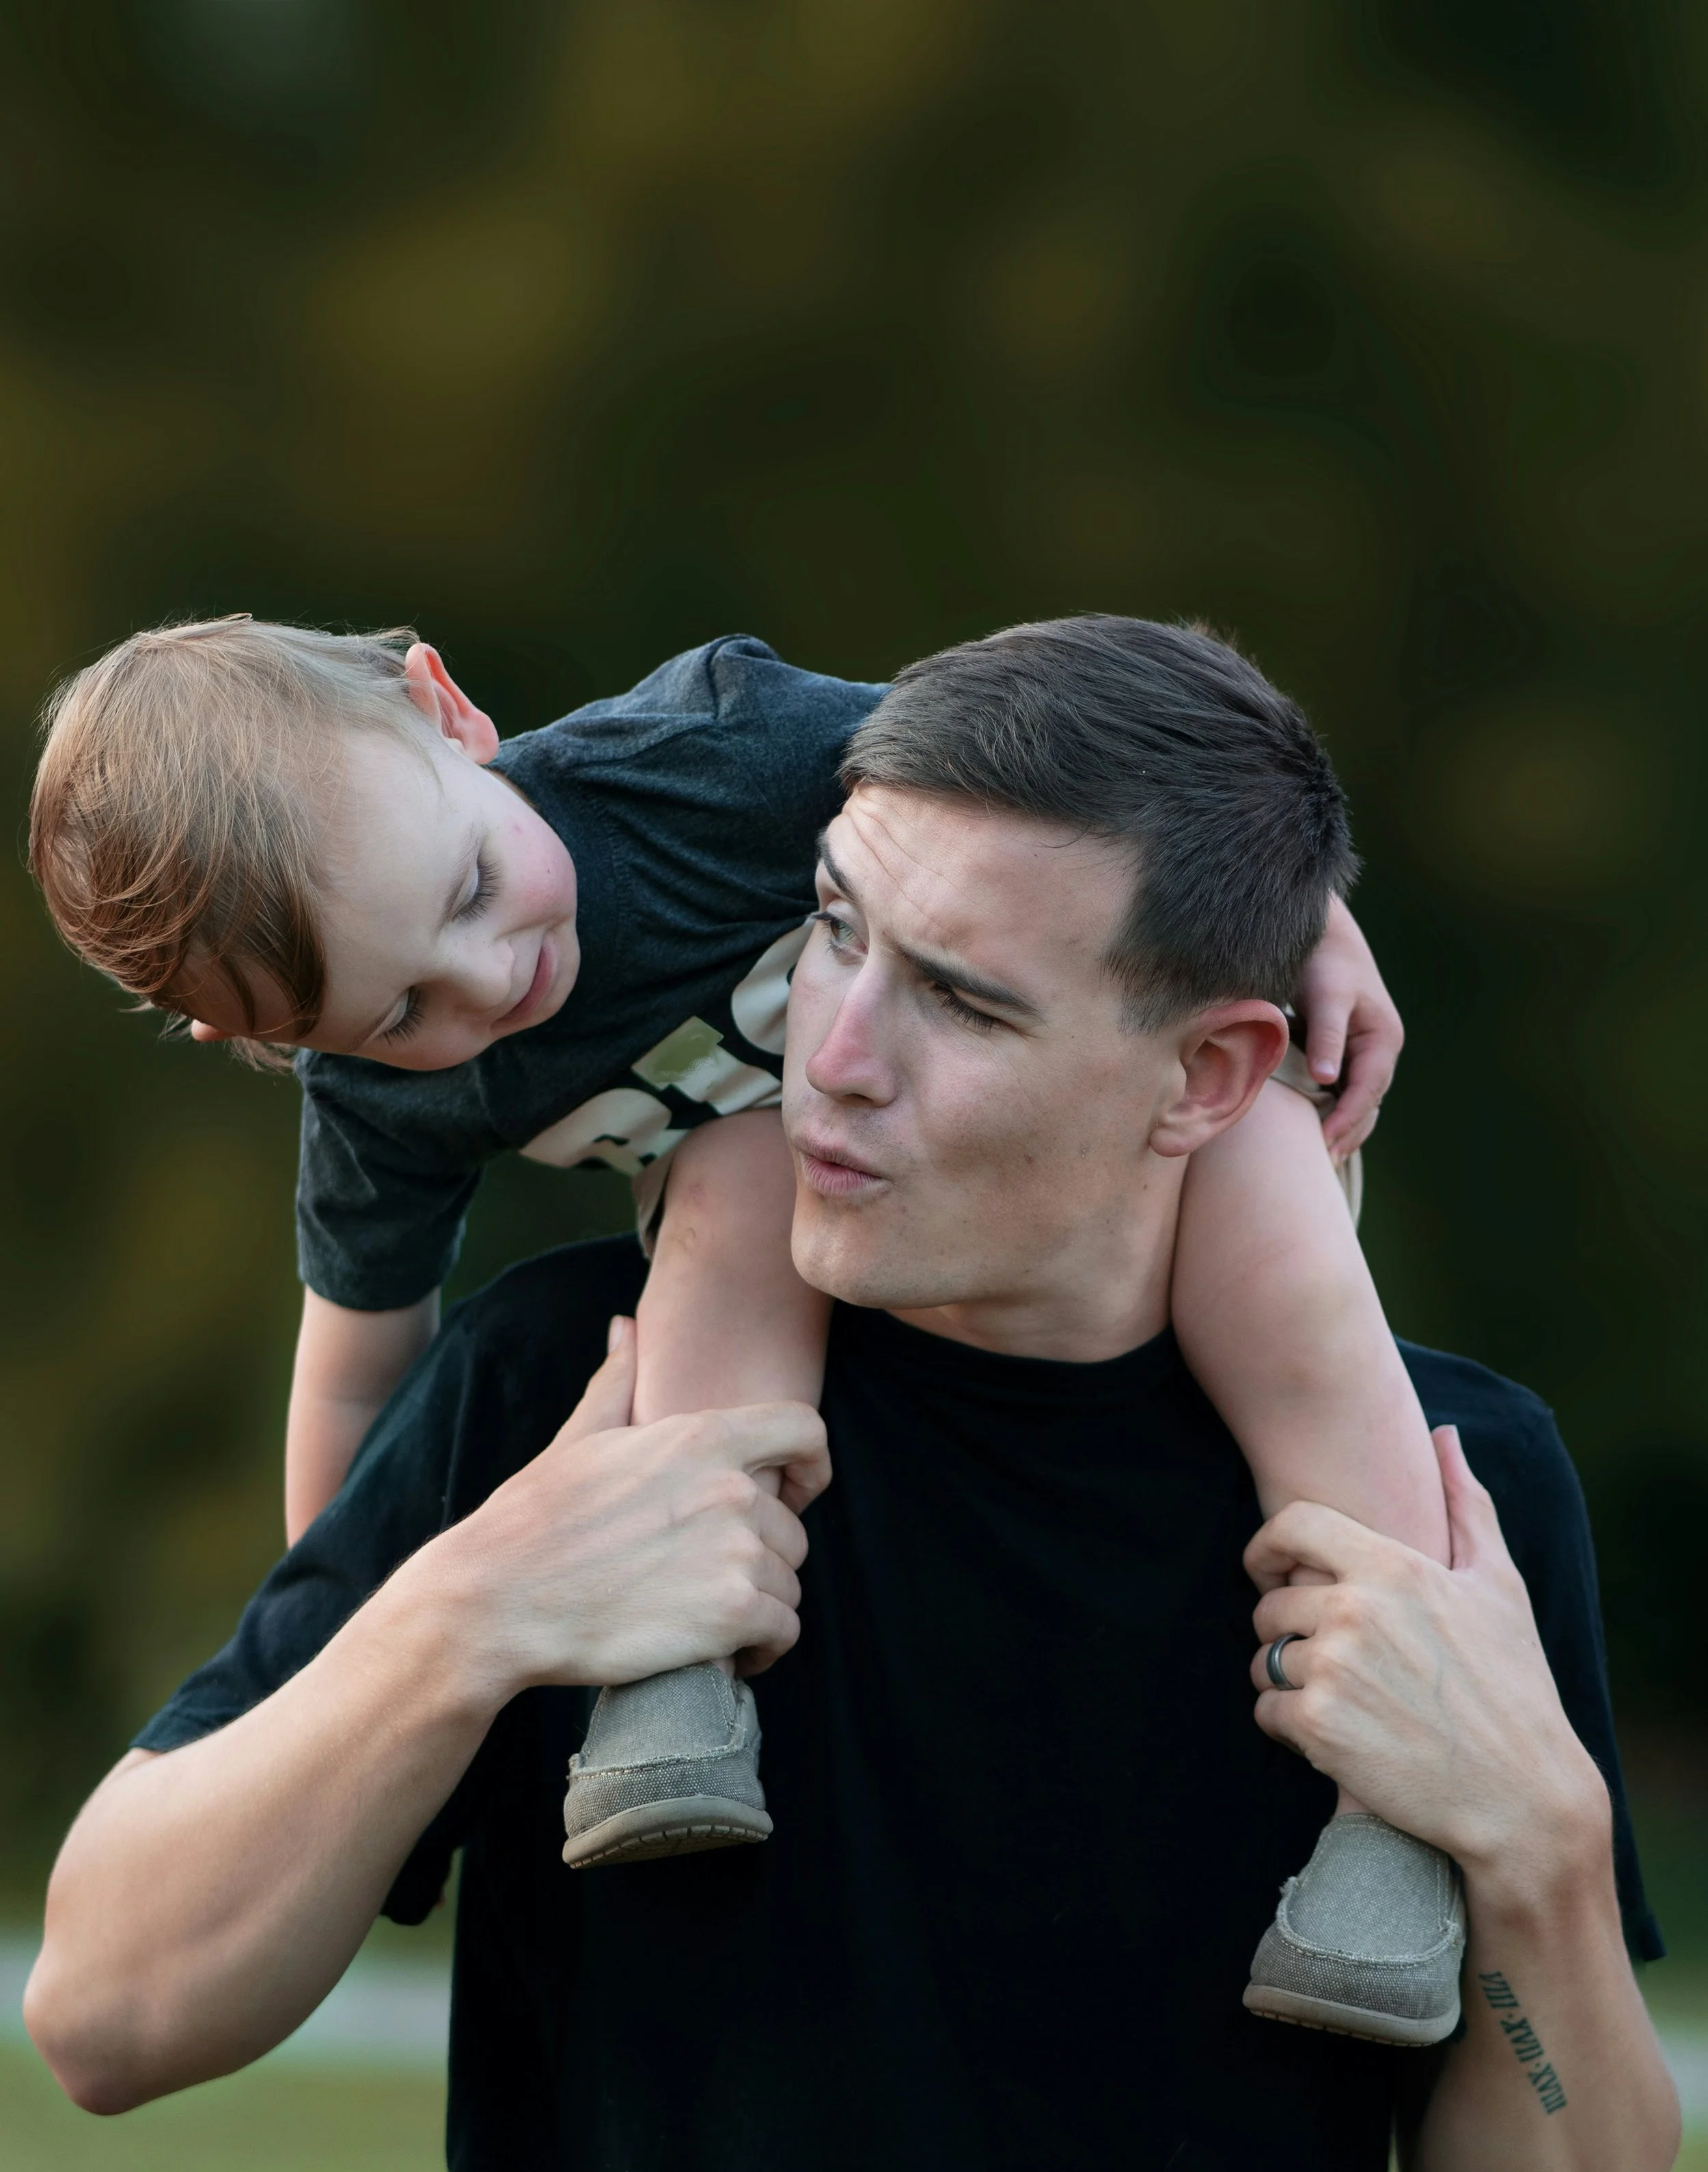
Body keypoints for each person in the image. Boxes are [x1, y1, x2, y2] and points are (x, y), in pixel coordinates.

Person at [26, 621, 1679, 2172]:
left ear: (1205, 1069)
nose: (829, 1050)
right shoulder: (576, 1399)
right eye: (827, 929)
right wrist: (476, 1604)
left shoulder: (1446, 1502)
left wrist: (1536, 1838)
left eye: (962, 1004)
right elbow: (107, 2010)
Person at [32, 614, 1448, 2035]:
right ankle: (673, 1691)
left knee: (1280, 1256)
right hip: (808, 1185)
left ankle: (1395, 1805)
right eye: (398, 1007)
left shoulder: (706, 754)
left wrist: (1308, 925)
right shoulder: (375, 1098)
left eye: (471, 885)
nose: (489, 983)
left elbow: (1090, 798)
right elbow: (352, 1369)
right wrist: (352, 1658)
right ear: (275, 1041)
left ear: (446, 710)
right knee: (730, 1165)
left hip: (1127, 1129)